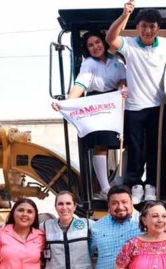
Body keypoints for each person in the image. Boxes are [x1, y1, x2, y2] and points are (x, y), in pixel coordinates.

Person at [107, 0, 166, 204]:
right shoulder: (130, 44)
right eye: (144, 26)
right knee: (135, 148)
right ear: (138, 27)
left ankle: (151, 184)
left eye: (152, 26)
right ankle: (135, 184)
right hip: (134, 107)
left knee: (157, 147)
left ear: (158, 29)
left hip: (158, 107)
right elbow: (111, 38)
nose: (148, 30)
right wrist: (124, 15)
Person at [52, 31, 127, 199]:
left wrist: (122, 89)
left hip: (115, 103)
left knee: (126, 140)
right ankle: (105, 187)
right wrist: (67, 103)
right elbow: (80, 84)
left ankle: (119, 180)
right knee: (101, 144)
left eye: (97, 42)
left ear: (104, 42)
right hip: (98, 104)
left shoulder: (117, 61)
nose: (95, 47)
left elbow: (123, 80)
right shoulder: (88, 64)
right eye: (90, 45)